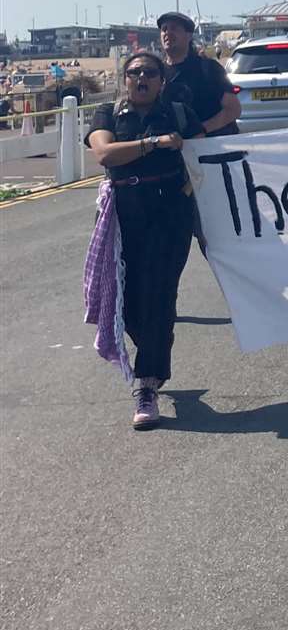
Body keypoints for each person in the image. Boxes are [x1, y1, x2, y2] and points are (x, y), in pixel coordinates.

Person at [83, 51, 205, 429]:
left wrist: (183, 147)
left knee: (160, 292)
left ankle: (146, 385)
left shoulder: (179, 114)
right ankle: (157, 346)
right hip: (125, 217)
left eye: (150, 73)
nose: (142, 79)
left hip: (171, 215)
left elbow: (206, 154)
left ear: (161, 80)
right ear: (125, 80)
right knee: (130, 301)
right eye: (134, 73)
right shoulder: (108, 115)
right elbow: (104, 153)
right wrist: (154, 143)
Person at [158, 11, 241, 137]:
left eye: (174, 29)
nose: (168, 33)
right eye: (164, 29)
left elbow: (233, 109)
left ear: (189, 35)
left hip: (212, 149)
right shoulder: (156, 72)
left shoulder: (208, 69)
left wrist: (201, 130)